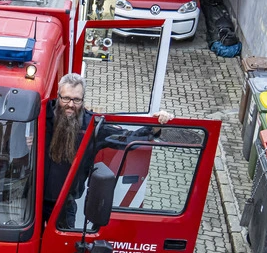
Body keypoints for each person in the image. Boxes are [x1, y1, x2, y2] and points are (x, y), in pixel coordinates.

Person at [42, 74, 173, 224]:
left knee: (65, 239)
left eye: (76, 100)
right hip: (34, 201)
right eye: (66, 98)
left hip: (65, 205)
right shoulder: (41, 114)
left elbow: (126, 138)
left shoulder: (93, 126)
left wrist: (154, 127)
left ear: (83, 99)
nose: (70, 104)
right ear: (58, 95)